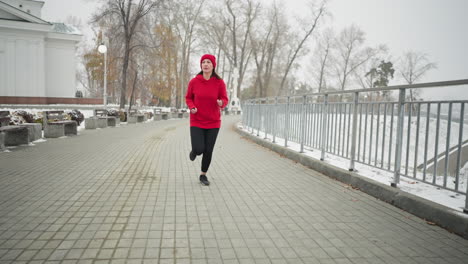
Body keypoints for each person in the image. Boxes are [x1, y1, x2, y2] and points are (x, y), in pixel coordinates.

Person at [185, 54, 229, 186]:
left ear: (213, 65)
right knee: (199, 148)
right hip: (197, 120)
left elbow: (225, 99)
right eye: (203, 62)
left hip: (213, 121)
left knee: (208, 150)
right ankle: (194, 152)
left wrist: (221, 102)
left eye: (208, 62)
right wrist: (192, 107)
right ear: (201, 65)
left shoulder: (219, 82)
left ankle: (203, 175)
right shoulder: (194, 81)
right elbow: (188, 98)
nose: (205, 64)